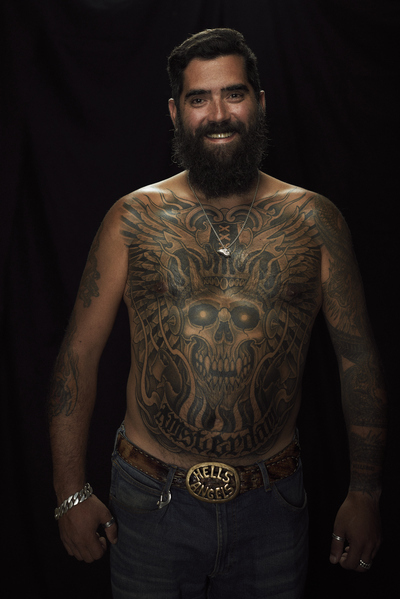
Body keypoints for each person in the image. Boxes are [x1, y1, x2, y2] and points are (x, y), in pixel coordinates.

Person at [49, 28, 387, 599]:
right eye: (199, 99)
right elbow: (77, 356)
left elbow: (358, 360)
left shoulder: (314, 221)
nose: (218, 114)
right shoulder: (133, 219)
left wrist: (366, 492)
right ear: (175, 113)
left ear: (260, 102)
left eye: (234, 94)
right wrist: (69, 492)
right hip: (149, 500)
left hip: (273, 504)